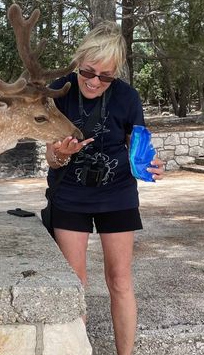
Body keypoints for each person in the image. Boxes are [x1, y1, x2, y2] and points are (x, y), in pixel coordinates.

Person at [45, 21, 165, 355]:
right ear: (78, 61)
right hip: (70, 194)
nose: (96, 82)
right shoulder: (59, 91)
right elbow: (50, 157)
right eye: (89, 72)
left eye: (106, 76)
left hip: (117, 194)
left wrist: (152, 163)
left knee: (120, 280)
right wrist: (60, 154)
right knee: (75, 283)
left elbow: (138, 147)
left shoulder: (128, 97)